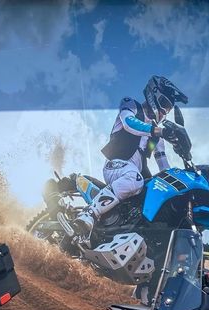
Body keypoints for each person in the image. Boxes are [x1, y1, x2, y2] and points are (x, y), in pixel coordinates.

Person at [65, 76, 191, 240]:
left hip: (133, 176)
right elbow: (129, 124)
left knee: (155, 191)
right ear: (154, 95)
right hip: (116, 166)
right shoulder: (131, 106)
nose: (164, 112)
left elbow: (164, 167)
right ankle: (89, 213)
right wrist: (159, 131)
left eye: (168, 109)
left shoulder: (157, 139)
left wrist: (181, 151)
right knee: (134, 178)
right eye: (165, 104)